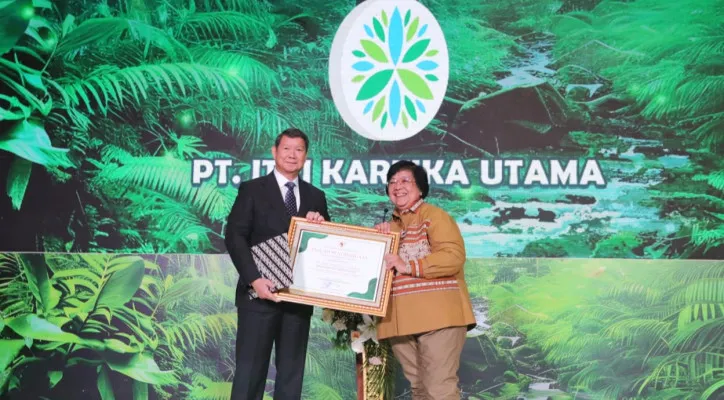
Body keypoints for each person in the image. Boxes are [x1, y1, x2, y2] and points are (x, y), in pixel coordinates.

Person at [224, 128, 330, 400]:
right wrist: (254, 279)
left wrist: (321, 226)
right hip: (258, 297)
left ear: (306, 156)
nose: (292, 155)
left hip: (298, 300)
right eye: (286, 148)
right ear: (274, 152)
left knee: (291, 378)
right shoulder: (252, 189)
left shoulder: (316, 196)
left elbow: (324, 245)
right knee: (249, 375)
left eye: (299, 150)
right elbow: (235, 237)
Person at [375, 160, 476, 400]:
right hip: (399, 322)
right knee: (419, 390)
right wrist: (376, 239)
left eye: (405, 181)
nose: (397, 186)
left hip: (438, 318)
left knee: (439, 389)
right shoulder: (390, 228)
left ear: (420, 188)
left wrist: (408, 265)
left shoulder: (434, 216)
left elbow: (453, 257)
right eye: (392, 182)